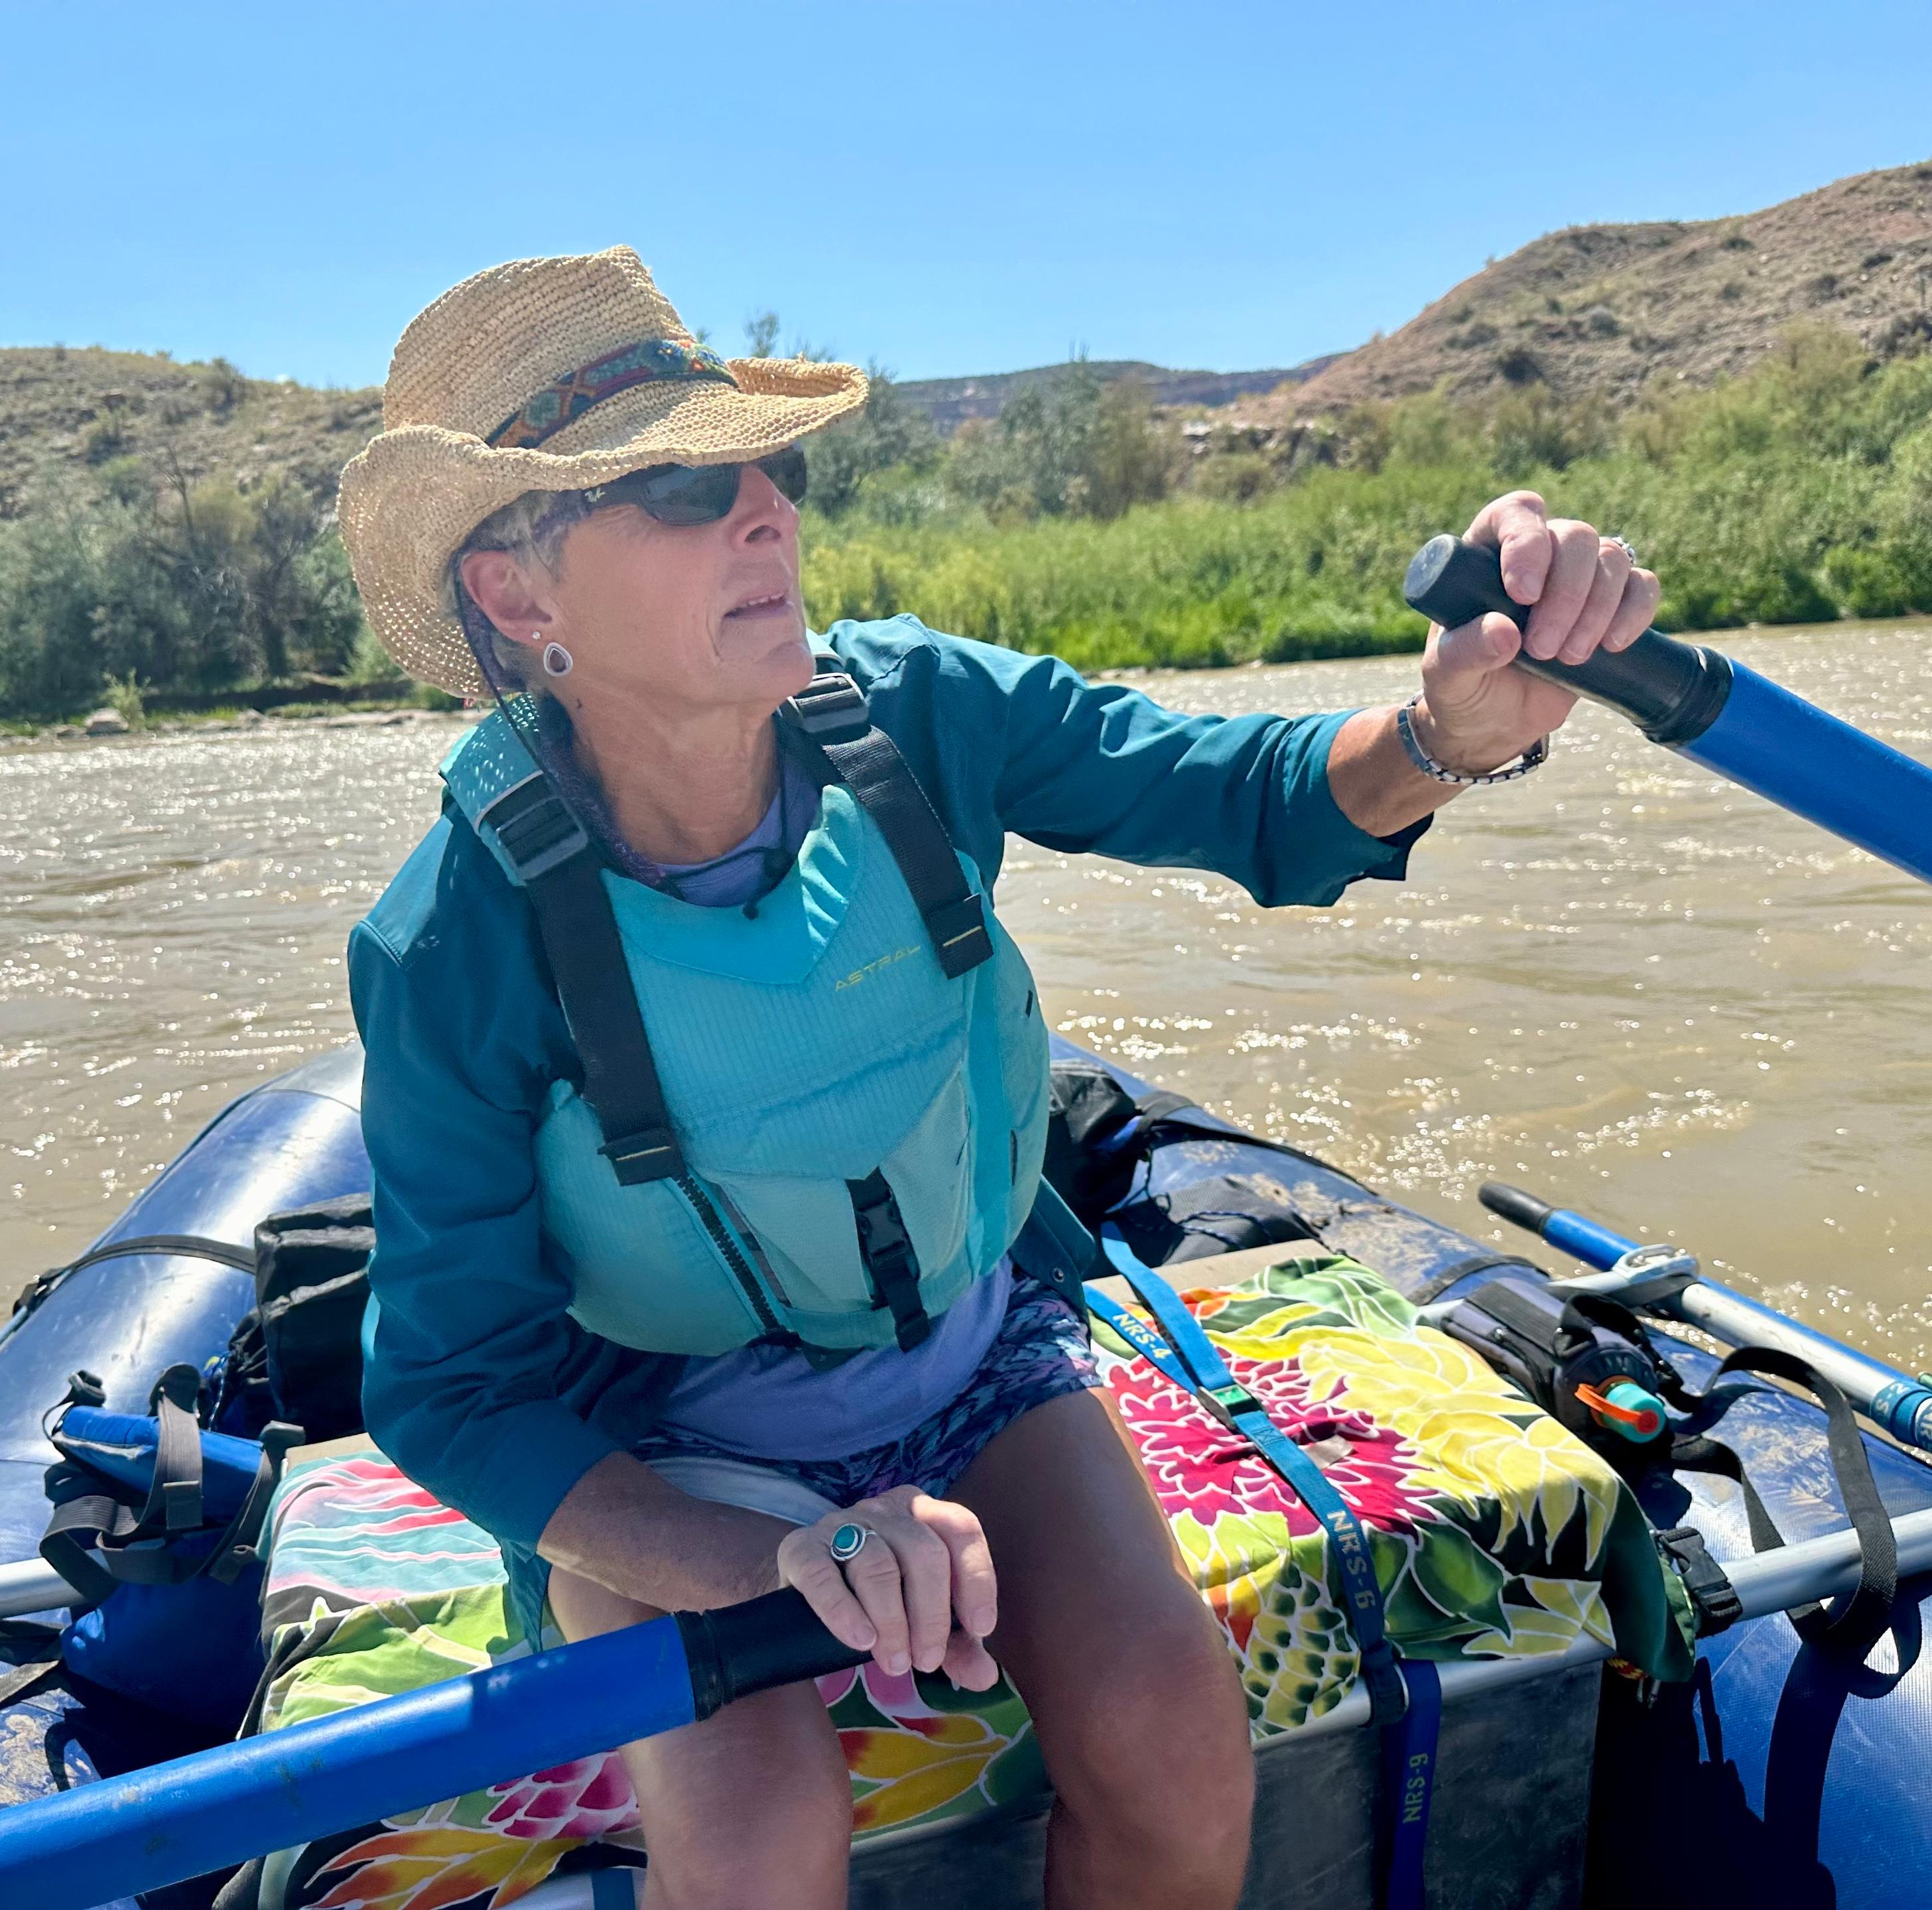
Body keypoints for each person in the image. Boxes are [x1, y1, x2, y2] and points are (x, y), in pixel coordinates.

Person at [336, 247, 1657, 1910]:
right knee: (754, 1853)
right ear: (519, 600)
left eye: (776, 470)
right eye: (683, 486)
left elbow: (1247, 794)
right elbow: (455, 1391)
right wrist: (780, 1561)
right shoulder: (450, 940)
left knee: (1178, 1745)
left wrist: (1457, 727)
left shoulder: (923, 712)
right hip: (661, 1440)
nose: (767, 514)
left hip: (975, 1363)